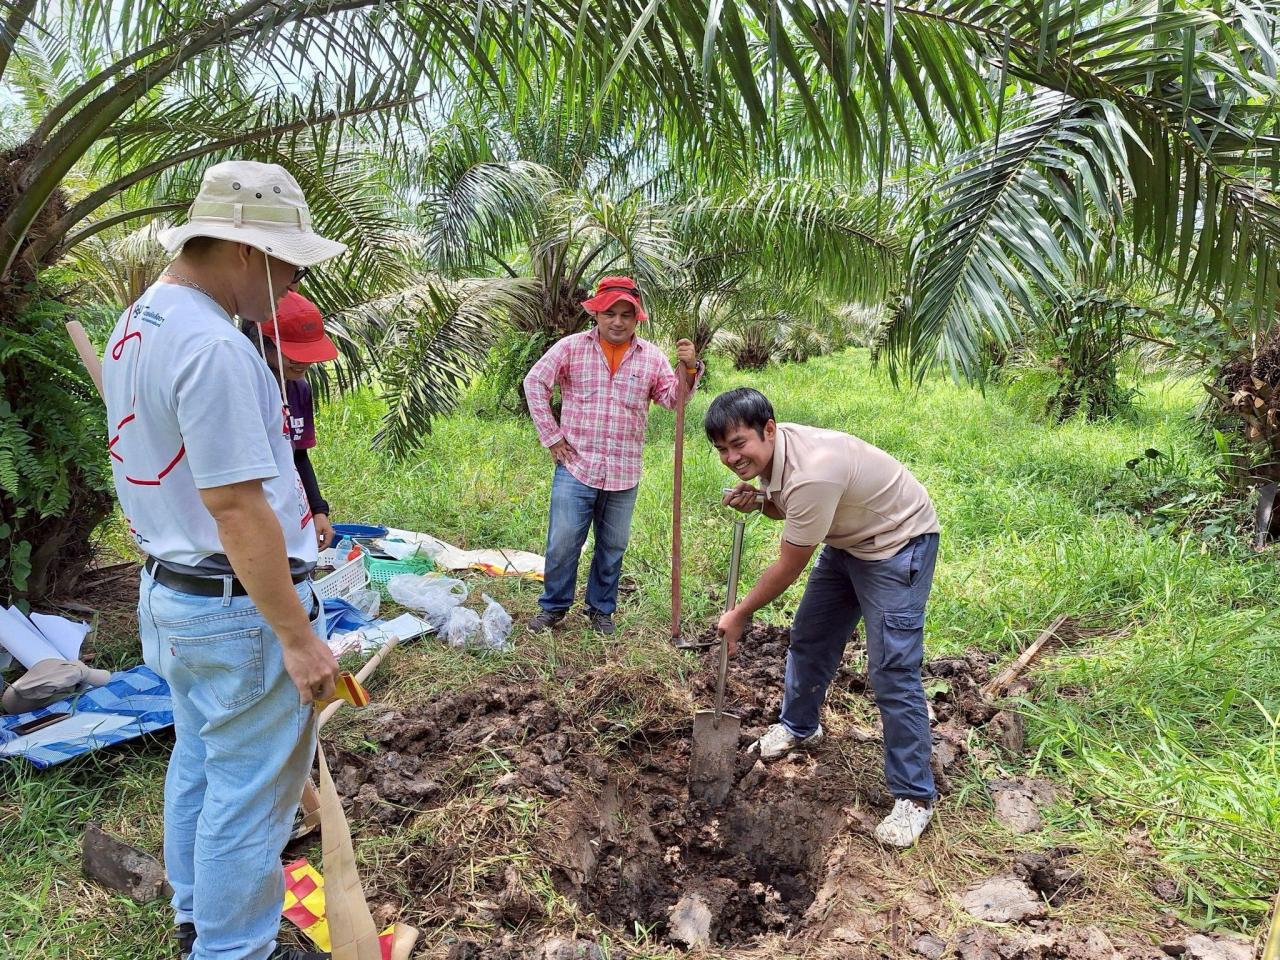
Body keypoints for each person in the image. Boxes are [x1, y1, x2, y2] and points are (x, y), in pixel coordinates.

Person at [102, 160, 346, 960]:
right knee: (251, 796)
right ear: (244, 250)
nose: (293, 283)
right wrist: (297, 637)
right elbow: (237, 508)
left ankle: (197, 916)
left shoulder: (140, 320)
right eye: (289, 264)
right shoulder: (215, 347)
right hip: (236, 608)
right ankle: (236, 948)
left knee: (202, 760)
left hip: (175, 593)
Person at [706, 387, 941, 848]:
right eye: (722, 450)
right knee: (811, 637)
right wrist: (760, 501)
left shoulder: (812, 471)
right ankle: (800, 727)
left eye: (738, 444)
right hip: (848, 540)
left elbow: (788, 564)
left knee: (892, 669)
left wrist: (741, 613)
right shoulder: (777, 454)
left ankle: (915, 796)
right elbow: (785, 506)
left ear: (768, 429)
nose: (732, 458)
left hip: (898, 544)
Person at [523, 275, 703, 635]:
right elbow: (535, 382)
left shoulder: (651, 358)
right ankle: (553, 608)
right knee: (562, 543)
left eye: (626, 314)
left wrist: (689, 369)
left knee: (613, 547)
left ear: (636, 318)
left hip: (623, 471)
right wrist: (552, 438)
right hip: (576, 466)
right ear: (596, 314)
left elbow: (673, 401)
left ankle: (600, 610)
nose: (618, 322)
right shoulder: (571, 348)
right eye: (610, 313)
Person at [241, 289, 339, 550]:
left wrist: (318, 510)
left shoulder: (298, 389)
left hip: (285, 513)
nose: (303, 362)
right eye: (292, 352)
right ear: (261, 342)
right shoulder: (244, 392)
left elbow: (299, 455)